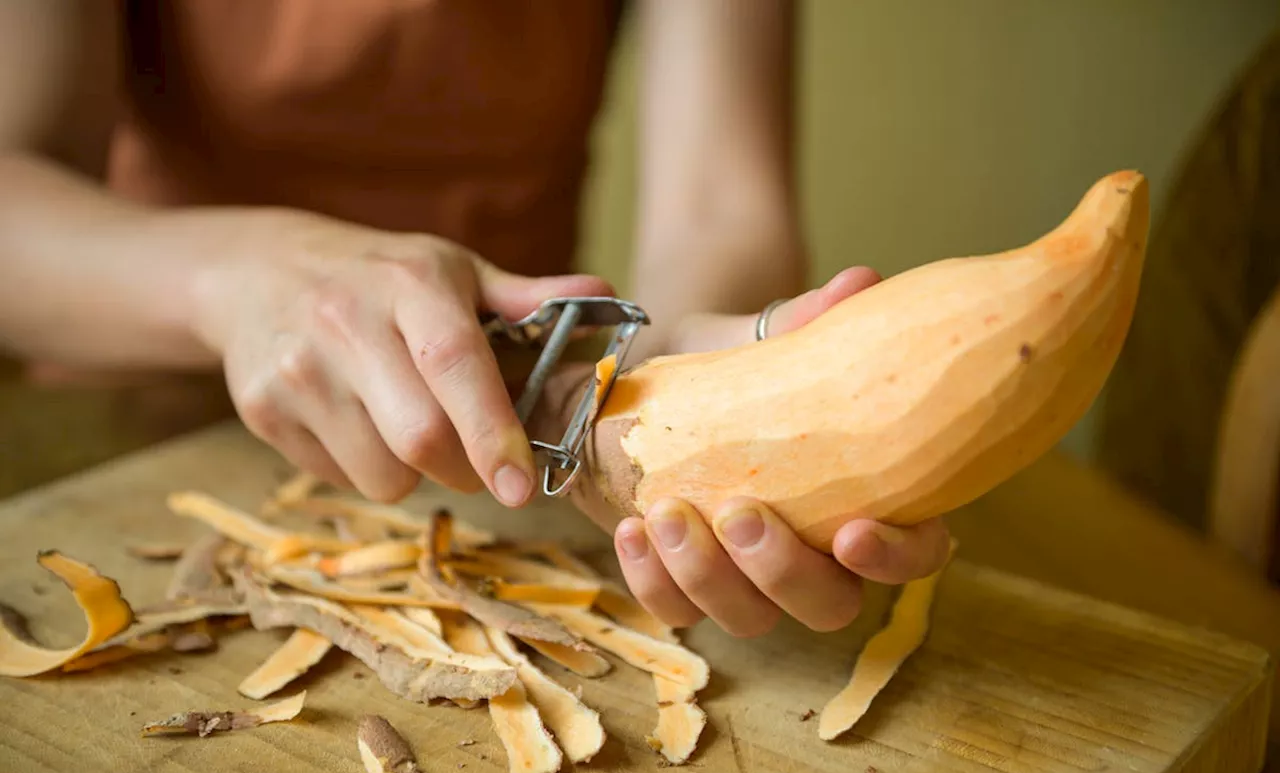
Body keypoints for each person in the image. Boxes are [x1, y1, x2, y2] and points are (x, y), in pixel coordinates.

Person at [0, 0, 950, 637]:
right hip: (130, 421)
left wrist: (656, 373)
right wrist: (236, 279)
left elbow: (718, 207)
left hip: (524, 440)